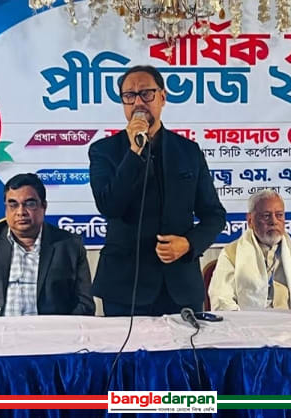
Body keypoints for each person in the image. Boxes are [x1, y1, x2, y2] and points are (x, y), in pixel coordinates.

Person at [88, 65, 226, 316]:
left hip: (181, 287)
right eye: (129, 96)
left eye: (146, 93)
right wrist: (134, 152)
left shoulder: (188, 151)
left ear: (162, 97)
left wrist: (188, 243)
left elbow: (214, 215)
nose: (138, 102)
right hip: (125, 289)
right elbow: (109, 206)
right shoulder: (104, 151)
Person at [0, 174, 94, 319]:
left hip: (49, 330)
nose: (21, 212)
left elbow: (84, 305)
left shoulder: (69, 245)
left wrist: (61, 330)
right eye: (13, 205)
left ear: (44, 207)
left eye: (30, 204)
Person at [209, 190, 291, 311]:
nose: (274, 221)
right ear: (250, 220)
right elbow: (221, 299)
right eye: (266, 216)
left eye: (279, 215)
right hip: (248, 321)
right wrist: (242, 321)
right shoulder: (231, 253)